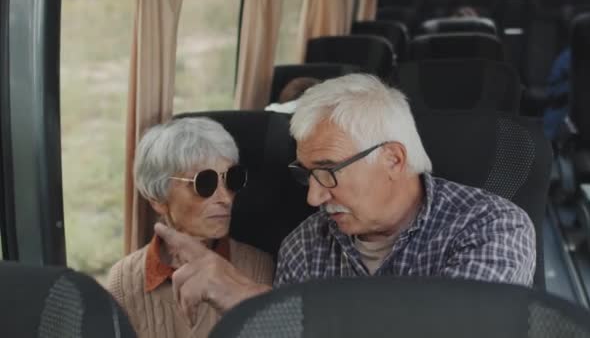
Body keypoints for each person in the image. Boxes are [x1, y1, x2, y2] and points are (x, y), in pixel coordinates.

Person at [155, 74, 536, 317]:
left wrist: (259, 301)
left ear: (392, 159)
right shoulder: (305, 245)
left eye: (329, 172)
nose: (314, 198)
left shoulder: (494, 227)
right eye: (307, 175)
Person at [107, 117, 274, 338]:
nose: (225, 198)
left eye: (232, 179)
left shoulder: (259, 267)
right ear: (158, 197)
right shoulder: (123, 281)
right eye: (205, 183)